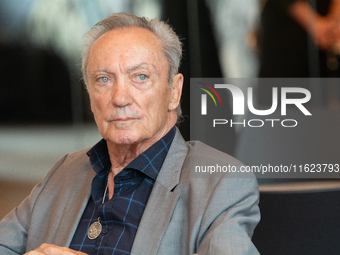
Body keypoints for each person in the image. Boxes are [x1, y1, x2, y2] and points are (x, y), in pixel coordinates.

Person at [0, 13, 260, 255]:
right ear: (90, 96)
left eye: (140, 77)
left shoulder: (220, 182)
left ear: (174, 92)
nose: (120, 98)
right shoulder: (63, 173)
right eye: (104, 79)